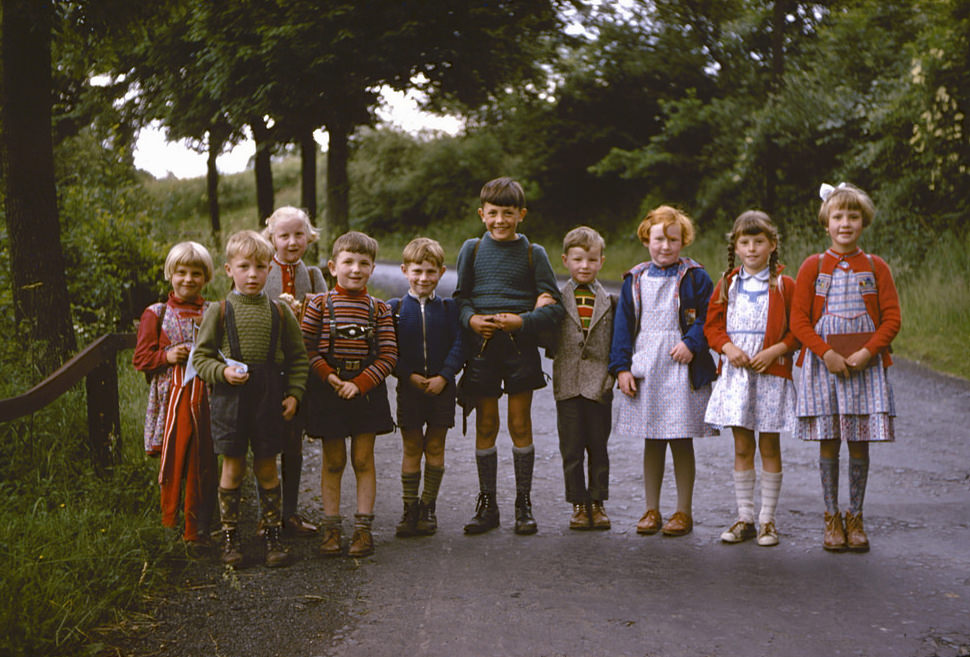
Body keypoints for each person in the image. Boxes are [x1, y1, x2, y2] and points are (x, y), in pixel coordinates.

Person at [791, 183, 901, 553]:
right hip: (824, 368)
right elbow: (799, 321)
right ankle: (830, 516)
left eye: (853, 216)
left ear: (863, 222)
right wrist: (826, 354)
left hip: (864, 368)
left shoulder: (875, 266)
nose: (845, 223)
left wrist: (868, 353)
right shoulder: (813, 266)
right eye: (838, 216)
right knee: (829, 438)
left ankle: (856, 516)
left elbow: (891, 319)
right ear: (826, 223)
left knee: (858, 438)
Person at [454, 176, 565, 535]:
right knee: (486, 425)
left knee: (520, 424)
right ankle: (488, 503)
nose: (500, 220)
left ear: (522, 214)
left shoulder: (535, 253)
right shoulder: (471, 249)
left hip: (520, 348)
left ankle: (523, 503)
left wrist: (523, 321)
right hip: (482, 348)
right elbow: (460, 299)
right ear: (481, 214)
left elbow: (553, 307)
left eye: (508, 213)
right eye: (493, 213)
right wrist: (472, 320)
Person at [192, 230, 309, 568]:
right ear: (229, 270)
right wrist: (222, 373)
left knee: (267, 465)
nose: (253, 274)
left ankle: (272, 534)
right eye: (244, 267)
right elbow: (200, 359)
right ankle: (231, 538)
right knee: (232, 466)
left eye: (260, 267)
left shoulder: (281, 313)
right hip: (231, 399)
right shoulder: (219, 310)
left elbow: (298, 359)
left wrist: (295, 394)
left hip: (269, 396)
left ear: (270, 269)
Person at [609, 205, 716, 537]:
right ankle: (651, 509)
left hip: (680, 367)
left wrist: (692, 343)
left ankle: (683, 511)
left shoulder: (696, 276)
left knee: (681, 440)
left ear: (683, 240)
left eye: (673, 239)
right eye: (659, 239)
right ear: (646, 239)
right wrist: (621, 368)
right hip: (647, 367)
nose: (665, 246)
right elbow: (623, 328)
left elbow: (709, 317)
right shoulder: (635, 279)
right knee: (652, 441)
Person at [704, 211, 798, 547]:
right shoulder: (727, 284)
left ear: (772, 245)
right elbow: (712, 327)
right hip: (736, 377)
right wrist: (728, 348)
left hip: (771, 376)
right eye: (745, 242)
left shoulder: (785, 285)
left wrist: (774, 352)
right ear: (736, 247)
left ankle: (767, 520)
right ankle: (744, 516)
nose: (753, 248)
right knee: (742, 446)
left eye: (759, 241)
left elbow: (797, 330)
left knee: (769, 444)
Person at [301, 231, 397, 558]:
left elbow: (388, 355)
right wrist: (330, 377)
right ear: (332, 266)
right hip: (328, 389)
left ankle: (363, 529)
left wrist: (360, 383)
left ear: (372, 268)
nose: (355, 269)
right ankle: (331, 528)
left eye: (364, 263)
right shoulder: (318, 304)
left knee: (362, 459)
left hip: (366, 392)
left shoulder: (379, 309)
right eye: (348, 262)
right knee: (334, 461)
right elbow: (306, 348)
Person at [133, 241, 217, 548]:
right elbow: (141, 358)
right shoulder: (156, 313)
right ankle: (168, 521)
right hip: (171, 399)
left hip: (205, 397)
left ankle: (197, 525)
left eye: (196, 273)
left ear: (206, 277)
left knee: (201, 458)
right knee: (173, 459)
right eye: (181, 272)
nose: (188, 279)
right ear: (170, 274)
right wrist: (167, 357)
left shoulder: (213, 311)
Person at [388, 237, 465, 537]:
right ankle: (409, 509)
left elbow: (460, 344)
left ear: (442, 272)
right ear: (405, 270)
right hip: (409, 388)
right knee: (411, 447)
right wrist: (407, 375)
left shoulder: (449, 309)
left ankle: (428, 506)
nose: (423, 278)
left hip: (442, 388)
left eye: (430, 272)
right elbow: (388, 349)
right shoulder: (393, 309)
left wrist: (445, 376)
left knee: (434, 445)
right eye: (417, 271)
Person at [261, 206, 327, 537]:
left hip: (300, 371)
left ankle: (290, 512)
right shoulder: (260, 271)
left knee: (294, 441)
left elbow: (326, 319)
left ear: (309, 237)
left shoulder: (313, 275)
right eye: (283, 235)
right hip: (266, 370)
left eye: (298, 234)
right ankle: (266, 514)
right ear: (271, 237)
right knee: (264, 441)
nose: (291, 242)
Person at [551, 226, 616, 531]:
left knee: (598, 446)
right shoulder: (555, 300)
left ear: (601, 261)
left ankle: (598, 501)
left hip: (599, 384)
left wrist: (613, 376)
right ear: (566, 260)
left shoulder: (610, 302)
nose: (584, 266)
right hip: (568, 384)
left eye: (591, 259)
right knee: (572, 447)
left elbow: (618, 343)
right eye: (578, 259)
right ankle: (578, 503)